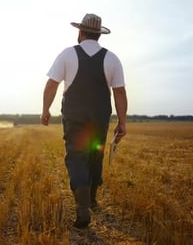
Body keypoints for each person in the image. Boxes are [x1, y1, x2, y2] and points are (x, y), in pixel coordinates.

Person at [41, 13, 128, 229]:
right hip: (99, 116)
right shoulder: (112, 58)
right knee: (95, 154)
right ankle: (91, 199)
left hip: (74, 116)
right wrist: (122, 122)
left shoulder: (67, 54)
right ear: (99, 35)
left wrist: (45, 110)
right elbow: (120, 93)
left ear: (80, 32)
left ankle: (82, 209)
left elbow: (52, 84)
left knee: (77, 156)